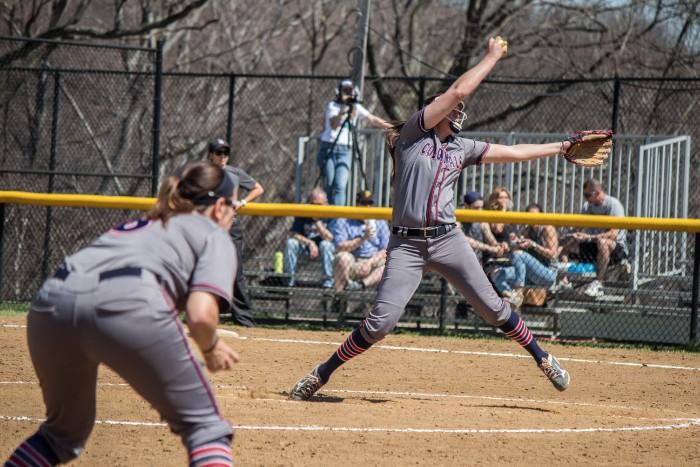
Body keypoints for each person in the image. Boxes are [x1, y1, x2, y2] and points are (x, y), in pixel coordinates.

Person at [290, 37, 575, 401]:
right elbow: (458, 90)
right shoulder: (412, 135)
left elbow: (516, 152)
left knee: (493, 308)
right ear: (432, 111)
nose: (458, 110)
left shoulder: (462, 147)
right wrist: (491, 57)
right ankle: (321, 373)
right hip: (407, 245)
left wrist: (561, 147)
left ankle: (544, 357)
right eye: (452, 108)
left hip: (447, 241)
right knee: (381, 324)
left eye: (460, 109)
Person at [5, 161, 240, 467]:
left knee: (59, 435)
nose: (236, 213)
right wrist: (210, 348)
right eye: (236, 205)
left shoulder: (147, 222)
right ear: (220, 206)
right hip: (129, 303)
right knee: (206, 429)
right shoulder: (213, 233)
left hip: (50, 305)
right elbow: (200, 315)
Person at [208, 138, 264, 327]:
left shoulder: (234, 173)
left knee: (235, 270)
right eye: (218, 152)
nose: (222, 156)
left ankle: (244, 319)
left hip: (231, 226)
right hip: (208, 227)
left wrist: (244, 201)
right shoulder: (203, 173)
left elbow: (258, 188)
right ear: (210, 155)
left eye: (225, 153)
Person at [317, 79, 390, 206]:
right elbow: (333, 126)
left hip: (345, 150)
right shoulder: (332, 106)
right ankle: (327, 217)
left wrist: (392, 127)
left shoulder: (356, 107)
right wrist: (343, 111)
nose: (347, 94)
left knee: (340, 185)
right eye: (345, 91)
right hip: (329, 147)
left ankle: (337, 220)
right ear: (338, 92)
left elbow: (372, 119)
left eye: (350, 91)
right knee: (329, 183)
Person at [560, 178, 628, 297]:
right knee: (566, 242)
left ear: (597, 192)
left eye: (587, 195)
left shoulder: (613, 205)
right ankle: (563, 280)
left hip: (614, 248)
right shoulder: (587, 206)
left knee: (602, 242)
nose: (585, 198)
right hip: (593, 245)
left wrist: (590, 237)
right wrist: (573, 235)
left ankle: (599, 282)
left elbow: (613, 234)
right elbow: (578, 227)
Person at [331, 190, 390, 292]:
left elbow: (386, 249)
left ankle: (360, 285)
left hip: (373, 261)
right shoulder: (344, 220)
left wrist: (370, 263)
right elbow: (340, 247)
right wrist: (363, 238)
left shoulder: (380, 221)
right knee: (342, 258)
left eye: (370, 203)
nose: (367, 207)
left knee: (392, 263)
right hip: (353, 260)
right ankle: (340, 297)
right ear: (357, 204)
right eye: (364, 203)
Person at [284, 187, 335, 288]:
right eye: (313, 204)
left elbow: (330, 238)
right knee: (291, 242)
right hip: (305, 249)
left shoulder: (331, 213)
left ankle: (327, 283)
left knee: (326, 245)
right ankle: (290, 281)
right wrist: (310, 243)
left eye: (319, 205)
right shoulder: (304, 212)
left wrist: (317, 222)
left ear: (326, 203)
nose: (315, 207)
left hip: (324, 252)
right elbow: (294, 234)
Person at [459, 191, 505, 265]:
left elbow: (490, 238)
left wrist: (498, 246)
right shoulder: (458, 221)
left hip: (477, 262)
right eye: (476, 208)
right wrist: (490, 248)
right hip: (461, 261)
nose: (480, 211)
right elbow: (466, 241)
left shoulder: (482, 222)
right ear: (466, 206)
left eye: (481, 207)